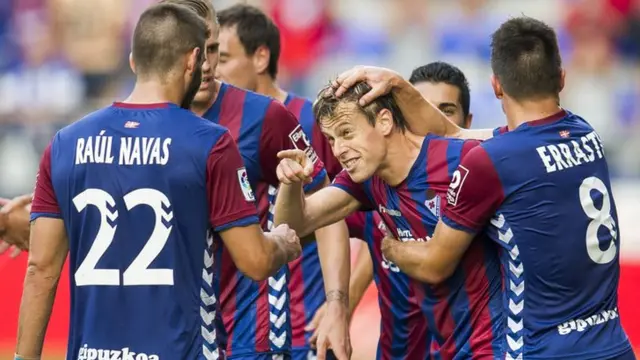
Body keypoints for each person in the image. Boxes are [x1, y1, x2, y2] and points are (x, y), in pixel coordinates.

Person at [14, 4, 301, 360]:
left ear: (134, 61)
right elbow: (256, 261)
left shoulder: (65, 144)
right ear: (193, 60)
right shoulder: (209, 142)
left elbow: (40, 270)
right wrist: (284, 242)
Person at [380, 17, 635, 359]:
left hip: (541, 350)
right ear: (561, 78)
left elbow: (433, 265)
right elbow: (455, 134)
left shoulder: (490, 162)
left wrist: (390, 247)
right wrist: (401, 86)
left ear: (496, 86)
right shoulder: (584, 132)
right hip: (613, 346)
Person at [161, 1, 350, 359]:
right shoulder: (142, 124)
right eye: (193, 50)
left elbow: (330, 211)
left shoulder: (265, 117)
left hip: (252, 334)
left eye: (214, 50)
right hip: (174, 332)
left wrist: (338, 303)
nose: (205, 64)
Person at [273, 80, 505, 359]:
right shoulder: (366, 179)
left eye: (347, 133)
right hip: (446, 346)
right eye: (332, 139)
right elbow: (295, 224)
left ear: (384, 121)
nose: (338, 150)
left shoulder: (459, 160)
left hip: (497, 344)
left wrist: (391, 249)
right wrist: (290, 183)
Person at [309, 61, 477, 360]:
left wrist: (393, 249)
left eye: (445, 110)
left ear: (467, 120)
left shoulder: (476, 175)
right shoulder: (374, 181)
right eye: (420, 108)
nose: (429, 120)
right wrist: (339, 303)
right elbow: (329, 221)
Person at [214, 4, 347, 359]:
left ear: (260, 58)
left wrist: (338, 304)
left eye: (223, 57)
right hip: (226, 324)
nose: (212, 69)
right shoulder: (207, 126)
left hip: (304, 324)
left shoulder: (311, 121)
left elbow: (349, 218)